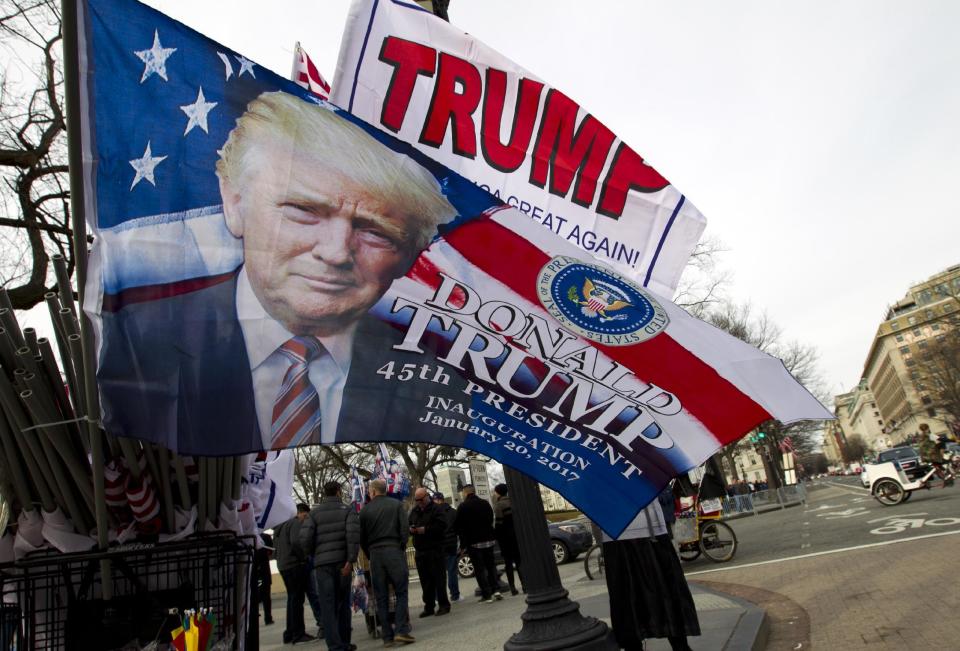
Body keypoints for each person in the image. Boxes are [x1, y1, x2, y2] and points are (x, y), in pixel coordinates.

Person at [97, 90, 458, 454]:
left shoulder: (442, 383)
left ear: (411, 254)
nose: (335, 252)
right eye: (303, 210)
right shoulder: (133, 345)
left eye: (375, 231)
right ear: (235, 202)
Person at [602, 500, 700, 651]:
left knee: (629, 599)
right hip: (644, 531)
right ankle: (679, 645)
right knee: (666, 591)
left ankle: (640, 645)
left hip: (625, 533)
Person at [300, 481, 361, 651]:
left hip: (322, 564)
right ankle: (345, 641)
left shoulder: (314, 513)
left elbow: (304, 539)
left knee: (328, 605)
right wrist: (350, 560)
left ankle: (334, 645)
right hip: (343, 563)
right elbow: (353, 536)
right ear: (339, 492)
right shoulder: (348, 510)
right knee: (343, 603)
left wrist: (313, 555)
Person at [359, 479, 415, 646]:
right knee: (401, 592)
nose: (369, 493)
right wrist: (401, 546)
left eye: (369, 491)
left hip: (375, 554)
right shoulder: (396, 505)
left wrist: (370, 554)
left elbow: (362, 538)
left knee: (381, 596)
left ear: (374, 492)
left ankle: (387, 636)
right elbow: (404, 529)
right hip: (394, 550)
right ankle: (401, 630)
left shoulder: (365, 510)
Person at [273, 504, 316, 644]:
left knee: (292, 599)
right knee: (297, 600)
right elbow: (297, 542)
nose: (305, 519)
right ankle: (298, 633)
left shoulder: (279, 527)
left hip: (283, 565)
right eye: (305, 516)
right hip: (295, 564)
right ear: (298, 513)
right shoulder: (294, 523)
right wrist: (304, 556)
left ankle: (290, 632)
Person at [408, 487, 451, 617]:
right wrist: (411, 529)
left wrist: (425, 530)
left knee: (439, 579)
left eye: (421, 499)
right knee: (425, 581)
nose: (419, 502)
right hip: (420, 550)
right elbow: (408, 523)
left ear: (427, 496)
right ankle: (429, 606)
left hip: (435, 548)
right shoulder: (414, 511)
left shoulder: (437, 509)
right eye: (417, 500)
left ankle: (444, 604)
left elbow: (442, 526)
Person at [455, 484, 501, 603]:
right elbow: (491, 519)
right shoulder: (485, 503)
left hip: (474, 542)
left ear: (465, 493)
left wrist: (463, 544)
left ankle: (487, 594)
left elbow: (459, 527)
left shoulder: (463, 507)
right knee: (491, 566)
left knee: (479, 569)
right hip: (488, 540)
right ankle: (496, 590)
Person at [492, 484, 522, 595]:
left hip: (505, 538)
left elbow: (499, 524)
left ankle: (513, 588)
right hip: (516, 537)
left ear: (498, 493)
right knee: (519, 562)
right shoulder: (514, 502)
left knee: (508, 564)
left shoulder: (498, 505)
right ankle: (525, 585)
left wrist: (496, 535)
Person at [433, 493, 461, 603]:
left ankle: (437, 597)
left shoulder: (433, 513)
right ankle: (455, 595)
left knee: (438, 573)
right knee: (452, 571)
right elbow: (458, 528)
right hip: (451, 544)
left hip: (438, 545)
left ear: (435, 500)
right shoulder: (453, 512)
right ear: (443, 499)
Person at [255, 532, 275, 626]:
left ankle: (265, 616)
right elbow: (270, 552)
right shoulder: (266, 537)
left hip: (258, 569)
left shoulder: (257, 538)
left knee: (259, 594)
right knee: (265, 595)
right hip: (263, 568)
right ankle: (268, 617)